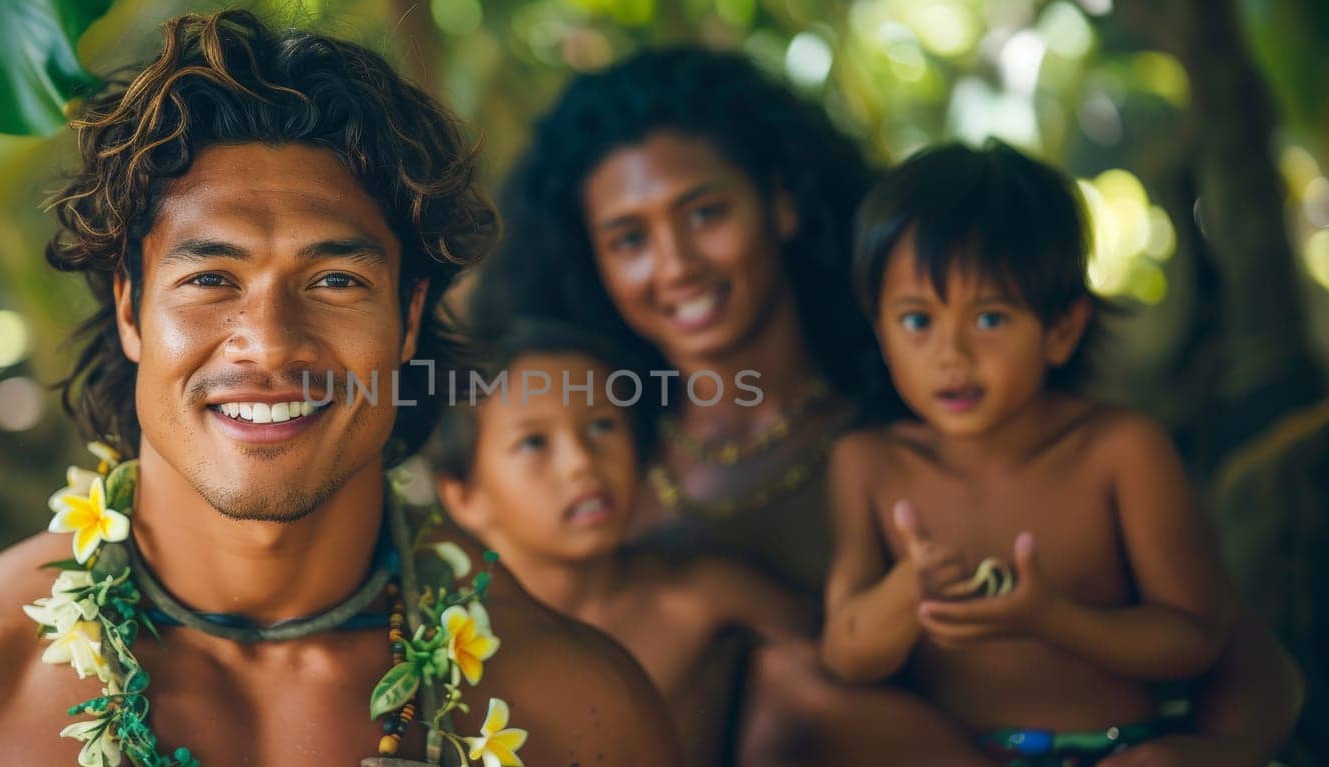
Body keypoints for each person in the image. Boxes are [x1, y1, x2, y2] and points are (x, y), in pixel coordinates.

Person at [0, 11, 677, 766]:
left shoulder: (571, 711)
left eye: (335, 281)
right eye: (211, 279)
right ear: (131, 309)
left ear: (407, 322)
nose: (270, 343)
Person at [471, 46, 1303, 766]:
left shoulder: (951, 413)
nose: (676, 262)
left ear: (784, 204)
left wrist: (1208, 753)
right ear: (594, 264)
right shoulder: (588, 482)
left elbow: (1243, 656)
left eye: (706, 212)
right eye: (629, 239)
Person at [823, 141, 1235, 765]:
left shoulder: (1119, 452)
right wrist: (911, 589)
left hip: (1114, 753)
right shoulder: (869, 465)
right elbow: (846, 656)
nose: (951, 355)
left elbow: (1196, 639)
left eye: (989, 319)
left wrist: (1056, 620)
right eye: (916, 321)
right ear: (880, 331)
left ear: (1063, 330)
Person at [427, 319, 814, 765]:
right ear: (463, 496)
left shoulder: (702, 598)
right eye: (534, 442)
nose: (580, 463)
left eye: (601, 426)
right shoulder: (443, 642)